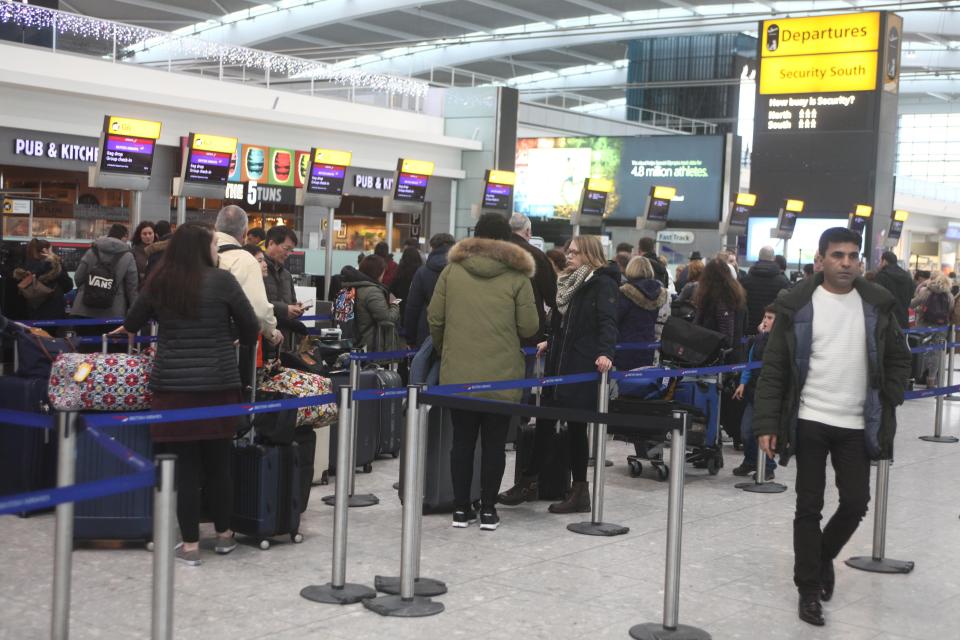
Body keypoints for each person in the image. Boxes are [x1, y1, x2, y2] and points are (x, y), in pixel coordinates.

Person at [752, 227, 911, 627]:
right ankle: (808, 590)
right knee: (809, 505)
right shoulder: (797, 305)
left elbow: (897, 357)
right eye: (837, 255)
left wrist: (890, 394)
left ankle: (821, 556)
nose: (846, 262)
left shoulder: (876, 304)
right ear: (821, 260)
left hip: (856, 422)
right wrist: (768, 423)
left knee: (856, 502)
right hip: (809, 419)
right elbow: (774, 371)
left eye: (852, 255)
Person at [112, 222, 259, 566]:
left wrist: (131, 328)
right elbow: (250, 327)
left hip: (174, 390)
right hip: (219, 386)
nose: (215, 250)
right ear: (201, 249)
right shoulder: (222, 281)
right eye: (211, 244)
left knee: (185, 469)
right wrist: (233, 338)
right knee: (220, 463)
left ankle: (190, 544)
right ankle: (224, 535)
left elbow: (133, 320)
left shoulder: (161, 281)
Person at [428, 213, 539, 530]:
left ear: (475, 236)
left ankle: (461, 509)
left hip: (459, 375)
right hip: (502, 374)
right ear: (506, 239)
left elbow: (434, 318)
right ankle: (489, 509)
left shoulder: (452, 270)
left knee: (461, 443)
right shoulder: (518, 276)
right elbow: (529, 327)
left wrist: (445, 350)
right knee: (494, 444)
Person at [499, 235, 618, 513]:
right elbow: (564, 323)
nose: (569, 256)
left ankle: (580, 490)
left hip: (580, 366)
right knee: (543, 423)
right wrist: (550, 340)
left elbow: (607, 322)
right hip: (558, 363)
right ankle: (529, 481)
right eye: (568, 251)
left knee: (577, 428)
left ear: (590, 254)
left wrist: (606, 353)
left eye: (575, 252)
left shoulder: (602, 284)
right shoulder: (568, 283)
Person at [214, 206, 282, 349]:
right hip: (225, 346)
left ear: (216, 227)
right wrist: (272, 333)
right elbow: (260, 312)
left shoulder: (193, 255)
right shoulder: (245, 260)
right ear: (245, 232)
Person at [731, 304, 778, 479]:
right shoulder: (757, 340)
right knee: (746, 431)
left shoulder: (780, 342)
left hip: (769, 395)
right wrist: (743, 383)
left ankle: (769, 466)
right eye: (765, 317)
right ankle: (750, 460)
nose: (765, 321)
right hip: (753, 392)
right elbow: (750, 364)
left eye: (770, 318)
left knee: (765, 431)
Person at [71, 224, 138, 326]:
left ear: (109, 234)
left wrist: (89, 288)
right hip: (113, 313)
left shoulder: (92, 251)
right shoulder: (128, 256)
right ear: (124, 237)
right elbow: (132, 287)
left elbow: (78, 277)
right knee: (109, 342)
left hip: (83, 309)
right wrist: (133, 313)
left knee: (84, 341)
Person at [509, 213, 557, 345]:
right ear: (528, 231)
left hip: (498, 327)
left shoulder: (496, 252)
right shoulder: (536, 255)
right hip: (529, 329)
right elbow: (552, 295)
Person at [403, 233, 454, 348]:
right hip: (455, 332)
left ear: (433, 248)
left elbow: (413, 307)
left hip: (426, 331)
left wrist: (410, 337)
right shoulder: (461, 270)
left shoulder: (422, 272)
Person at [340, 255, 401, 352]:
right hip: (371, 346)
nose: (383, 276)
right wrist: (395, 303)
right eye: (382, 273)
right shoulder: (372, 291)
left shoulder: (353, 286)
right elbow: (388, 319)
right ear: (377, 273)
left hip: (355, 341)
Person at [615, 255, 666, 370]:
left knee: (625, 384)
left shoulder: (625, 292)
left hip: (626, 347)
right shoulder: (659, 292)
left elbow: (616, 318)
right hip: (648, 346)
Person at [693, 258, 747, 359]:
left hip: (715, 357)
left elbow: (726, 338)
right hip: (732, 355)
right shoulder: (735, 296)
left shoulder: (717, 300)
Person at [13, 239, 73, 323]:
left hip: (33, 312)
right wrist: (56, 261)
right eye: (52, 250)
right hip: (54, 312)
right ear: (46, 250)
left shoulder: (26, 266)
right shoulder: (54, 266)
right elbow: (68, 286)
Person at [911, 271, 954, 387]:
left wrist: (920, 310)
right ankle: (931, 379)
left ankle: (919, 375)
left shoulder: (925, 291)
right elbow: (950, 310)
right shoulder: (949, 295)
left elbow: (912, 304)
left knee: (922, 350)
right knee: (937, 352)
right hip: (941, 327)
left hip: (924, 325)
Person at [263, 226, 304, 342]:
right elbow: (257, 305)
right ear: (271, 243)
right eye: (286, 248)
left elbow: (291, 303)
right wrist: (285, 309)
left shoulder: (287, 275)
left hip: (285, 340)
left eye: (291, 250)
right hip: (265, 338)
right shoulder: (257, 269)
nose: (288, 254)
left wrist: (297, 309)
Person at [742, 246, 791, 331]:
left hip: (748, 327)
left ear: (758, 257)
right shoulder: (782, 281)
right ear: (774, 258)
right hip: (771, 329)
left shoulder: (745, 280)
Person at [873, 251, 914, 329]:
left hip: (886, 321)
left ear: (884, 261)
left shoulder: (881, 276)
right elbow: (911, 295)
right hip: (903, 319)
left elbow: (876, 299)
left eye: (880, 261)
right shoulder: (907, 277)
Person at [388, 247, 423, 324]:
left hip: (401, 308)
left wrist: (395, 306)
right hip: (417, 309)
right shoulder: (421, 272)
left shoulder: (399, 272)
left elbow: (391, 292)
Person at [130, 221, 156, 285]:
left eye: (150, 233)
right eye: (144, 234)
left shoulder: (159, 250)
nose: (148, 236)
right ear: (140, 235)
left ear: (155, 234)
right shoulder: (134, 251)